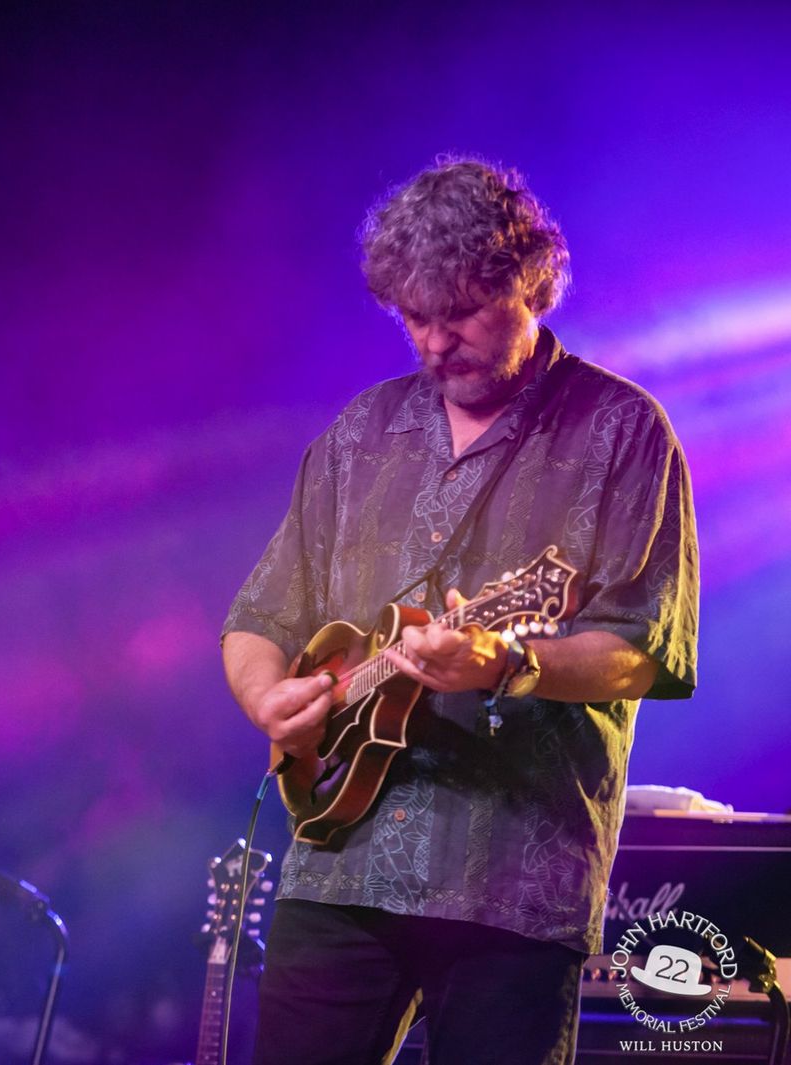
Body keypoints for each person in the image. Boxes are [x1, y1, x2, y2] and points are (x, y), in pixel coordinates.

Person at [221, 158, 698, 1065]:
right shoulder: (360, 432)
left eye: (464, 311)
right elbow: (260, 616)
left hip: (512, 881)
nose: (437, 342)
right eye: (415, 317)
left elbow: (645, 649)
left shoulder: (623, 430)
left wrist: (510, 663)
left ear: (532, 285)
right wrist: (265, 697)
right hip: (339, 859)